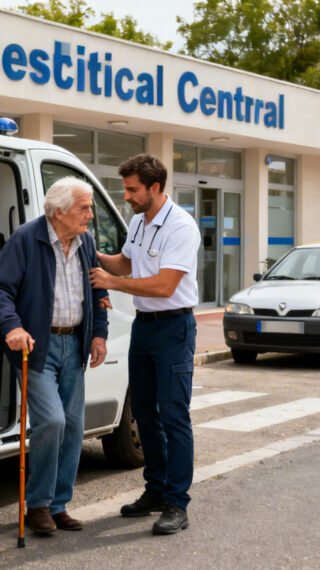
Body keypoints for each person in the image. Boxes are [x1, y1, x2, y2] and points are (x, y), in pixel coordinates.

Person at [0, 176, 109, 535]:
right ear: (59, 212)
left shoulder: (85, 242)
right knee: (51, 421)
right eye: (84, 207)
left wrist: (98, 333)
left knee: (73, 427)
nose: (90, 214)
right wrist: (12, 327)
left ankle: (58, 505)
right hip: (37, 347)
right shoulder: (26, 239)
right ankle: (37, 504)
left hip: (75, 345)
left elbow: (96, 290)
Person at [89, 153, 200, 535]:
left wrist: (111, 282)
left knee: (174, 417)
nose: (127, 196)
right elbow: (125, 262)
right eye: (126, 189)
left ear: (155, 187)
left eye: (133, 189)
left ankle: (176, 503)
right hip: (145, 329)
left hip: (174, 329)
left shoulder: (181, 227)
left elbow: (165, 285)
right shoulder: (139, 221)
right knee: (145, 416)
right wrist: (93, 254)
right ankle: (155, 491)